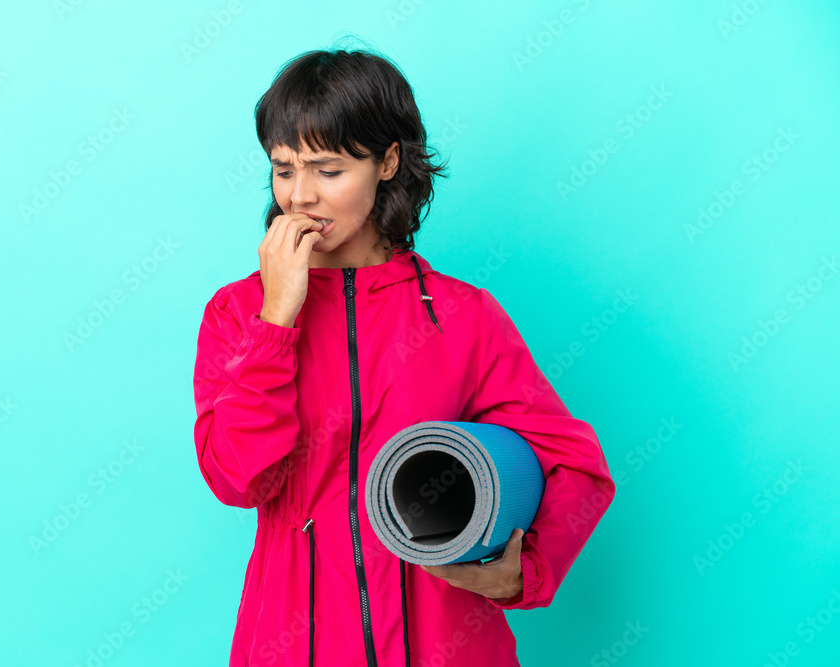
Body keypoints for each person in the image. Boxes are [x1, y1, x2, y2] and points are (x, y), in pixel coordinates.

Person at [192, 47, 616, 667]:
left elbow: (575, 464)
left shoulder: (462, 315)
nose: (300, 197)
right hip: (294, 645)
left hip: (448, 645)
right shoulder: (239, 314)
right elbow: (237, 478)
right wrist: (277, 320)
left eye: (328, 170)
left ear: (387, 161)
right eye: (283, 169)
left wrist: (525, 570)